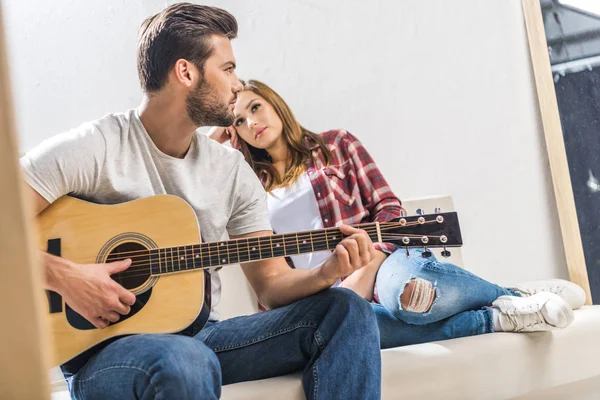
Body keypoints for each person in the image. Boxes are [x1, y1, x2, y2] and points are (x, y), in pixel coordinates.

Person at [21, 4, 383, 399]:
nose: (237, 83)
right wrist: (64, 276)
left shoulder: (230, 171)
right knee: (184, 359)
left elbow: (271, 284)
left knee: (346, 310)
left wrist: (325, 273)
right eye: (227, 69)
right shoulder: (97, 146)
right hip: (102, 352)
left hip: (202, 337)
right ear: (186, 72)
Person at [209, 79, 587, 349]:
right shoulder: (246, 188)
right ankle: (499, 314)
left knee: (412, 296)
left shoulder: (335, 145)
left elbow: (389, 210)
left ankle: (512, 294)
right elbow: (262, 268)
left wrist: (364, 266)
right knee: (351, 328)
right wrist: (213, 148)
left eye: (254, 108)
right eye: (238, 122)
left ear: (275, 104)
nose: (250, 123)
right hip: (317, 294)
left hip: (375, 264)